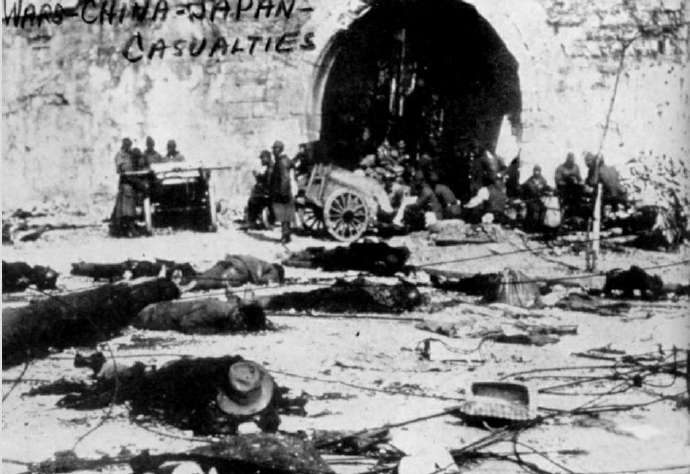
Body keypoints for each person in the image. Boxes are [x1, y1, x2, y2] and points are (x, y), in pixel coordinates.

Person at [110, 139, 139, 236]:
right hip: (125, 182)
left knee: (129, 206)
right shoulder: (120, 155)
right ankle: (126, 229)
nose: (129, 147)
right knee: (124, 208)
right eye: (128, 146)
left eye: (130, 146)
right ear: (124, 145)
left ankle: (128, 228)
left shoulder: (129, 155)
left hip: (131, 182)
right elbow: (121, 169)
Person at [269, 140, 294, 244]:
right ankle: (287, 235)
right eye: (273, 148)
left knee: (284, 214)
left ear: (280, 149)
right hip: (284, 191)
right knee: (285, 215)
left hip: (283, 192)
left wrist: (283, 193)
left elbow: (285, 178)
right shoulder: (282, 160)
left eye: (275, 148)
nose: (273, 151)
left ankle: (285, 236)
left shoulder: (282, 161)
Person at [246, 151, 273, 229]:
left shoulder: (270, 169)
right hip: (271, 192)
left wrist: (258, 179)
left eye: (262, 158)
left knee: (252, 201)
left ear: (267, 158)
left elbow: (268, 183)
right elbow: (265, 179)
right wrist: (258, 176)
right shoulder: (270, 167)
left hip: (269, 194)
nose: (261, 160)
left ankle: (252, 222)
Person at [522, 165, 551, 230]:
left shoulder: (543, 180)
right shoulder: (530, 180)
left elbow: (545, 188)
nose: (536, 172)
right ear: (533, 171)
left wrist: (548, 191)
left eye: (538, 171)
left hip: (539, 199)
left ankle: (540, 225)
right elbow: (525, 188)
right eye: (535, 171)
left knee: (543, 209)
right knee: (532, 210)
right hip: (530, 199)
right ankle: (528, 226)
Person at [555, 152, 583, 218]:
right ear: (567, 159)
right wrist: (567, 182)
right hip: (564, 190)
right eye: (570, 159)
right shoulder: (561, 168)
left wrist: (580, 182)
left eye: (572, 159)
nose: (571, 161)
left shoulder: (576, 167)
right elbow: (558, 181)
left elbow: (579, 178)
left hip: (575, 189)